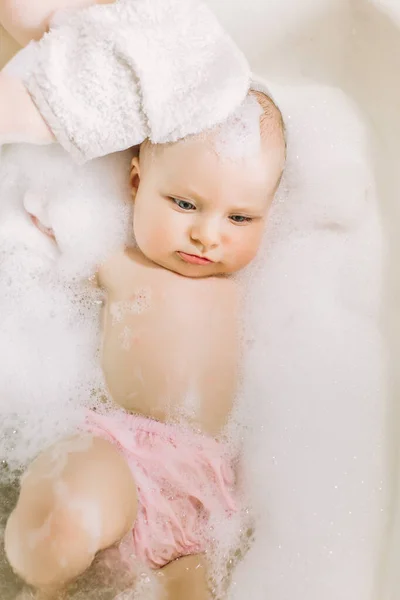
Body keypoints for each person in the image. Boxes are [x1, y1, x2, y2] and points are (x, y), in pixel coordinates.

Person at [0, 1, 286, 598]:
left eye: (240, 216)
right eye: (184, 204)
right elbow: (45, 260)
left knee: (194, 590)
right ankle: (43, 574)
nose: (209, 234)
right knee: (66, 510)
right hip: (119, 451)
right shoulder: (119, 262)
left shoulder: (258, 290)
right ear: (136, 185)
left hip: (203, 493)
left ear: (270, 217)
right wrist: (44, 219)